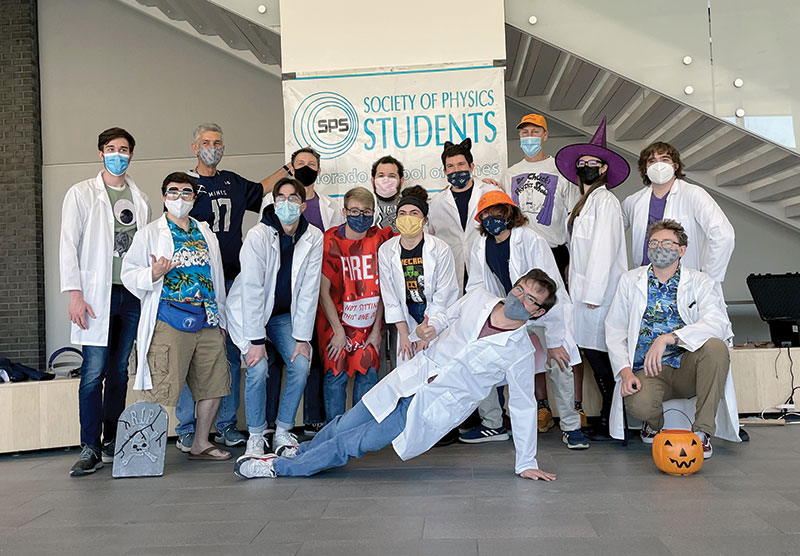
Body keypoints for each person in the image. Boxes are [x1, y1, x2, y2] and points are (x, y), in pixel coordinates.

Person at [233, 270, 559, 481]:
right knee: (347, 423)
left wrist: (526, 461)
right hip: (411, 377)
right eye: (519, 289)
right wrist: (429, 327)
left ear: (538, 311)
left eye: (530, 298)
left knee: (356, 442)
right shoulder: (480, 299)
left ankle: (278, 467)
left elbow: (522, 404)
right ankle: (301, 452)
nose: (519, 298)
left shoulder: (520, 350)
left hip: (434, 404)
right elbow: (448, 315)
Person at [174, 123, 273, 451]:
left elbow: (260, 189)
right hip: (198, 284)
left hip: (233, 280)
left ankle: (228, 424)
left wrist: (290, 168)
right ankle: (188, 427)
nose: (212, 147)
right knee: (195, 354)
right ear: (194, 146)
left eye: (217, 142)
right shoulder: (186, 187)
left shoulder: (231, 180)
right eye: (206, 142)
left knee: (231, 353)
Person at [463, 191, 587, 449]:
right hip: (507, 310)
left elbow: (549, 287)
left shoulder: (530, 239)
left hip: (542, 310)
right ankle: (493, 424)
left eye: (496, 213)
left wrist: (553, 340)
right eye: (485, 214)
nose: (491, 219)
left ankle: (571, 427)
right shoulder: (480, 244)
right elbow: (476, 284)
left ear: (509, 214)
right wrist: (489, 313)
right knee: (481, 357)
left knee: (560, 361)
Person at [121, 172, 231, 461]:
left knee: (214, 383)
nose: (179, 197)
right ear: (163, 196)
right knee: (161, 384)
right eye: (173, 191)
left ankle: (201, 442)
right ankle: (143, 452)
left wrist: (221, 319)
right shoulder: (149, 233)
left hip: (207, 318)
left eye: (186, 192)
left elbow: (216, 276)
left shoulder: (205, 232)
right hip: (170, 317)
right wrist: (153, 274)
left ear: (194, 198)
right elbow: (128, 273)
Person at [60, 127, 151, 476]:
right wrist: (75, 294)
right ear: (100, 153)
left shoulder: (140, 199)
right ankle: (89, 446)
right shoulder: (82, 193)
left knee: (119, 372)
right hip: (95, 295)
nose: (118, 154)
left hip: (130, 295)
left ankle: (112, 440)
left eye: (124, 149)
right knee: (92, 372)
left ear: (131, 154)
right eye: (111, 149)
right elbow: (68, 243)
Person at [605, 219, 734, 458]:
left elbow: (718, 323)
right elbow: (615, 329)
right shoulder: (630, 280)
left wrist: (670, 338)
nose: (659, 248)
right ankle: (654, 425)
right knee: (640, 405)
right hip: (648, 370)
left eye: (667, 243)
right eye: (653, 242)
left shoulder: (700, 281)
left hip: (688, 367)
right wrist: (624, 371)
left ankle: (702, 433)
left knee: (716, 348)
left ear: (681, 250)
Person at [225, 177, 323, 455]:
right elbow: (253, 290)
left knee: (301, 363)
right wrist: (256, 340)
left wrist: (303, 338)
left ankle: (282, 430)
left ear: (303, 206)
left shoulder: (314, 236)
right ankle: (256, 435)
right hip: (249, 312)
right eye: (281, 197)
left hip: (283, 315)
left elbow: (308, 289)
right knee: (257, 369)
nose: (287, 203)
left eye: (293, 198)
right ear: (273, 202)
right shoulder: (259, 235)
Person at [554, 118, 629, 439]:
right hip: (584, 294)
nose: (586, 167)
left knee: (604, 359)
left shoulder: (607, 202)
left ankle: (618, 420)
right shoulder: (584, 203)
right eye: (581, 163)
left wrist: (593, 295)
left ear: (603, 169)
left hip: (600, 296)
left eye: (592, 163)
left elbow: (603, 250)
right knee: (596, 356)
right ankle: (611, 418)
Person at [262, 147, 345, 437]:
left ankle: (312, 418)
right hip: (278, 297)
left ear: (319, 170)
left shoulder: (330, 207)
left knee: (313, 355)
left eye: (312, 164)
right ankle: (269, 423)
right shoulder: (271, 205)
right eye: (300, 164)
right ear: (291, 168)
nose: (307, 167)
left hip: (317, 291)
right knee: (272, 361)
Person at [318, 186, 393, 421]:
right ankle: (334, 433)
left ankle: (358, 431)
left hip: (369, 322)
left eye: (366, 211)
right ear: (344, 211)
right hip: (336, 321)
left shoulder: (379, 238)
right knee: (335, 375)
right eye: (355, 211)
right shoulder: (330, 239)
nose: (360, 217)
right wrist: (338, 332)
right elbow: (323, 291)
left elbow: (384, 289)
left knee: (369, 372)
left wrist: (376, 331)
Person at [622, 141, 734, 283]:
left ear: (675, 166)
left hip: (685, 282)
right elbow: (610, 233)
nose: (658, 166)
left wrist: (709, 278)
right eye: (652, 161)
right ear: (645, 169)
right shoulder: (633, 202)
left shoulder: (694, 194)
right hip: (646, 280)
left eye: (665, 159)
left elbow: (723, 235)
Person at [378, 186, 459, 362]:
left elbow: (444, 293)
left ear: (424, 220)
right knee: (407, 371)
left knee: (437, 370)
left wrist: (427, 332)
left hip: (434, 314)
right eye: (402, 213)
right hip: (405, 315)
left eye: (414, 213)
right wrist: (405, 335)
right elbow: (390, 296)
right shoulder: (386, 250)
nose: (408, 217)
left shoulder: (440, 249)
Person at [428, 138, 498, 292]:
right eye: (450, 166)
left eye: (461, 164)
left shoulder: (490, 193)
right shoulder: (436, 203)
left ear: (471, 166)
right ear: (445, 171)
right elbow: (430, 238)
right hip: (451, 269)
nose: (456, 170)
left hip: (486, 266)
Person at [370, 155, 405, 231]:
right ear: (372, 181)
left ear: (401, 181)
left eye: (392, 176)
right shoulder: (363, 207)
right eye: (381, 176)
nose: (386, 180)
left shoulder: (411, 206)